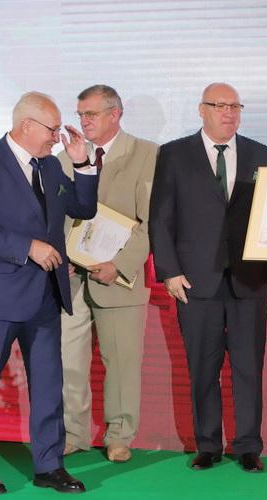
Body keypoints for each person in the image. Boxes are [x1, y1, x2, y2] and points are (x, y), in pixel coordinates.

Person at [0, 91, 98, 494]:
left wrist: (82, 163)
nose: (57, 136)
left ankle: (49, 466)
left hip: (44, 297)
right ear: (26, 125)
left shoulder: (51, 165)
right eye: (52, 129)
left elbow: (83, 209)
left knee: (49, 388)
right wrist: (27, 247)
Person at [149, 83, 267, 473]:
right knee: (202, 367)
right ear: (201, 109)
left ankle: (248, 446)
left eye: (235, 106)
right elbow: (161, 217)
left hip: (249, 278)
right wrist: (169, 271)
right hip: (194, 280)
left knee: (248, 366)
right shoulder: (174, 154)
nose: (229, 113)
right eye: (220, 105)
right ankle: (208, 444)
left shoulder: (260, 153)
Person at [58, 85, 157, 462]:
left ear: (115, 114)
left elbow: (152, 222)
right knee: (68, 360)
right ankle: (73, 433)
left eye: (92, 114)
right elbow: (55, 215)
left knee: (122, 362)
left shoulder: (147, 154)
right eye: (81, 114)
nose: (84, 121)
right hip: (70, 278)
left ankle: (119, 436)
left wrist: (121, 265)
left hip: (118, 276)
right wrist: (60, 253)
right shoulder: (64, 157)